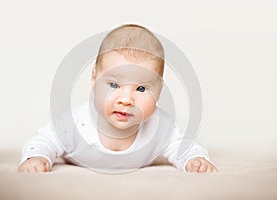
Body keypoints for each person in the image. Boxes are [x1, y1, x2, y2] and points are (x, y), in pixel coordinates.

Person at [18, 24, 217, 173]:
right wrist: (38, 156)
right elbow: (44, 139)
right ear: (94, 79)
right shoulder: (76, 123)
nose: (126, 99)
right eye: (113, 85)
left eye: (141, 88)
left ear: (158, 91)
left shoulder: (160, 126)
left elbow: (182, 146)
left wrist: (195, 159)